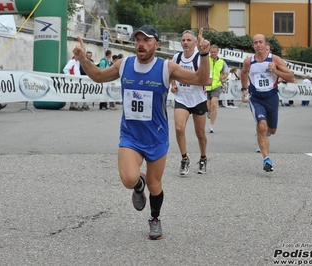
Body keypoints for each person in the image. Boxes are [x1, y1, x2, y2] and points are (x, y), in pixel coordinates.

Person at [73, 25, 210, 240]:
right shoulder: (124, 64)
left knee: (155, 185)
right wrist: (83, 59)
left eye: (146, 40)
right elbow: (98, 76)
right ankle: (139, 184)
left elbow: (201, 80)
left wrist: (203, 54)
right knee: (129, 179)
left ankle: (154, 218)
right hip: (131, 136)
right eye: (138, 40)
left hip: (156, 137)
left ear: (156, 44)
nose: (141, 44)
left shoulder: (166, 68)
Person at [240, 34, 294, 172]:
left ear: (265, 44)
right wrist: (244, 89)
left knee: (272, 130)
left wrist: (276, 70)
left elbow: (291, 77)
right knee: (262, 125)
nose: (258, 45)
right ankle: (266, 159)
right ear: (253, 45)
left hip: (272, 98)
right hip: (256, 98)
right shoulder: (249, 61)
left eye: (260, 42)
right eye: (255, 43)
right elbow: (244, 73)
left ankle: (264, 132)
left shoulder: (274, 59)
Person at [170, 30, 211, 175]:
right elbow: (171, 74)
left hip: (198, 99)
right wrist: (173, 84)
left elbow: (209, 80)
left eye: (188, 40)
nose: (185, 43)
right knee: (179, 128)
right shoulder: (177, 57)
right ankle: (184, 158)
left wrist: (192, 80)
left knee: (200, 133)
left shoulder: (201, 58)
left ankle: (203, 157)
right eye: (183, 40)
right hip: (182, 99)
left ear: (195, 42)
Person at [207, 44, 229, 133]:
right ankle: (208, 111)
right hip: (206, 85)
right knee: (208, 106)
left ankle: (211, 125)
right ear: (209, 52)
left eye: (215, 52)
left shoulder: (222, 62)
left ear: (218, 52)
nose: (213, 53)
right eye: (211, 52)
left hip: (216, 85)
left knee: (214, 103)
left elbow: (226, 72)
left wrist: (223, 77)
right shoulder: (205, 60)